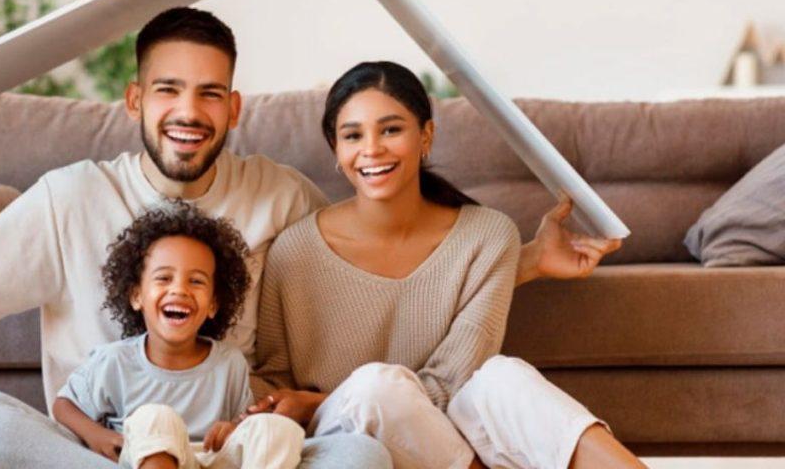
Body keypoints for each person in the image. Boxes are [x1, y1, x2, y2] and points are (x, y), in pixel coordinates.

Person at [0, 6, 619, 468]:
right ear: (133, 100)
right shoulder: (69, 198)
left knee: (361, 460)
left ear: (234, 106)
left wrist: (519, 262)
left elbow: (380, 263)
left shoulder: (280, 197)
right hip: (110, 453)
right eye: (168, 90)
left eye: (210, 92)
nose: (189, 111)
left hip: (240, 454)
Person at [251, 61, 646, 469]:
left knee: (500, 377)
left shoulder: (488, 236)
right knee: (374, 388)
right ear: (336, 148)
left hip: (445, 436)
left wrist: (321, 398)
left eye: (390, 130)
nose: (371, 149)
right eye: (353, 135)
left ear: (426, 136)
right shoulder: (295, 250)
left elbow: (453, 383)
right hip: (345, 439)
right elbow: (274, 378)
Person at [54, 202, 305, 469]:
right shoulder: (114, 361)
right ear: (137, 296)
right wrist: (97, 436)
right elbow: (63, 405)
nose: (180, 290)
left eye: (196, 281)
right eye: (164, 278)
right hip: (146, 457)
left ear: (213, 304)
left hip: (208, 460)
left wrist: (232, 429)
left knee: (274, 429)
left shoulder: (229, 363)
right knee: (155, 417)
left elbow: (241, 429)